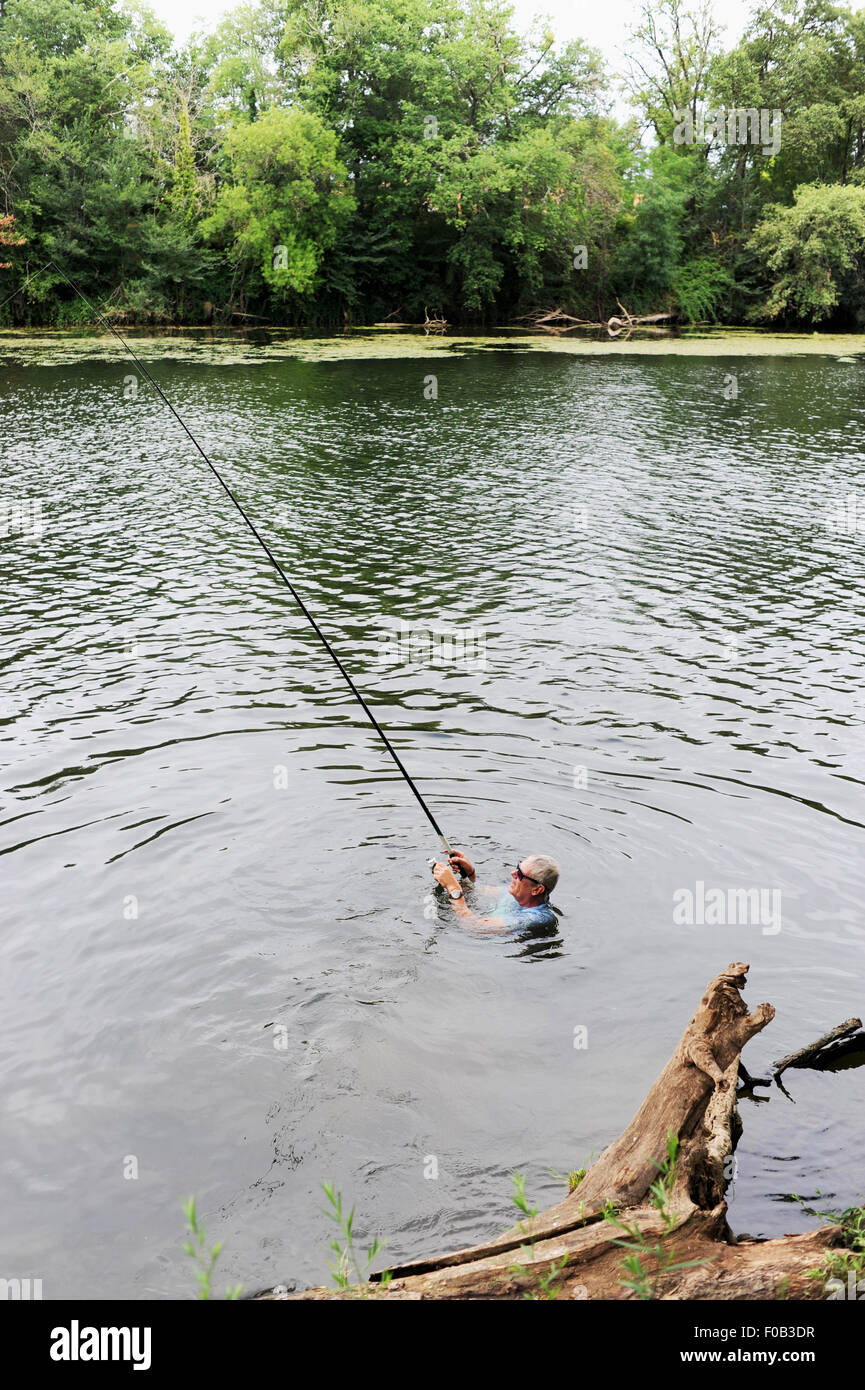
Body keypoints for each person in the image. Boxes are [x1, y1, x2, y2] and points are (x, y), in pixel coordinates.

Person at [431, 851, 559, 935]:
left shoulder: (535, 919)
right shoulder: (515, 893)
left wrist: (452, 887)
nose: (512, 874)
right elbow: (478, 891)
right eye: (517, 867)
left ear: (537, 890)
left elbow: (472, 926)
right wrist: (469, 873)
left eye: (520, 874)